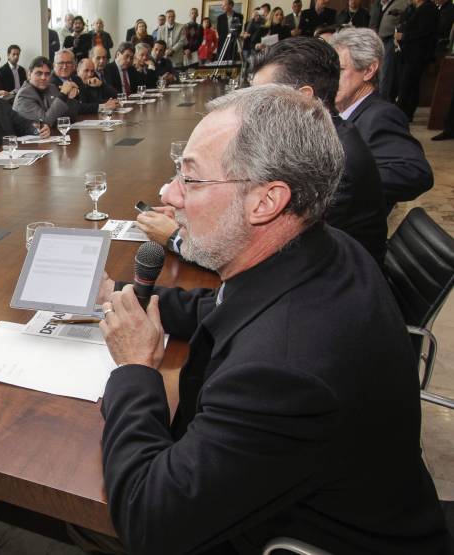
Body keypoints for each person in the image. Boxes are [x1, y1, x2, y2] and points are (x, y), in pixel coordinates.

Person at [95, 83, 450, 555]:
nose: (168, 194)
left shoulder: (282, 372)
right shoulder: (321, 245)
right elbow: (223, 304)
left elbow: (148, 522)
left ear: (266, 201)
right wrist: (125, 295)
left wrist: (136, 369)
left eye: (191, 179)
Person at [249, 37, 388, 264]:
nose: (252, 109)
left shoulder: (335, 161)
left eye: (263, 98)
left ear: (304, 97)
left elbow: (278, 249)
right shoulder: (319, 134)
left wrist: (177, 238)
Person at [329, 26, 434, 210]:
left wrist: (333, 179)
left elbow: (416, 174)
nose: (329, 79)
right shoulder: (340, 110)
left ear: (369, 70)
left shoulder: (381, 115)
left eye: (340, 70)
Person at [396, 0, 440, 120]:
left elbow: (423, 31)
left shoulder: (428, 9)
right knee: (410, 84)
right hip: (410, 52)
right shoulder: (414, 9)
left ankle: (401, 112)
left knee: (408, 83)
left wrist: (404, 36)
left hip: (418, 53)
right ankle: (407, 112)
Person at [13, 55, 82, 125]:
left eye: (47, 74)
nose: (43, 77)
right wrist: (63, 94)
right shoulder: (24, 95)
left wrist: (72, 96)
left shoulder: (51, 87)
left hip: (52, 134)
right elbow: (45, 122)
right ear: (29, 74)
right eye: (39, 73)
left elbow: (69, 117)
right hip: (29, 135)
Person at [51, 50, 119, 114]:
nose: (65, 66)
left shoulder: (76, 79)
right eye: (61, 63)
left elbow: (90, 100)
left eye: (68, 63)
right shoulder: (51, 83)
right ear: (54, 65)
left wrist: (109, 103)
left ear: (73, 65)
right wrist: (102, 106)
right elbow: (72, 107)